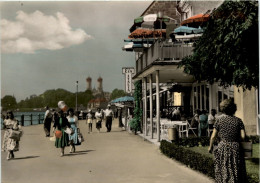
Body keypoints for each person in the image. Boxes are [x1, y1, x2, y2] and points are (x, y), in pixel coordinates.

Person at [208, 99, 248, 183]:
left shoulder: (219, 120)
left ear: (223, 108)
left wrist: (210, 147)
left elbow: (213, 136)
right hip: (235, 147)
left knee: (224, 168)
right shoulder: (238, 120)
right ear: (234, 108)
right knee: (235, 168)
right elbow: (243, 136)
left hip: (223, 146)